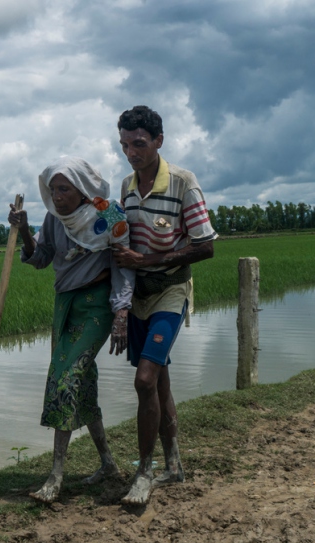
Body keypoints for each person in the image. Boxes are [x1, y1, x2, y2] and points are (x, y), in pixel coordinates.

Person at [8, 155, 135, 503]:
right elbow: (41, 257)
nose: (58, 195)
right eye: (53, 189)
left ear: (82, 189)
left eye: (64, 188)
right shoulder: (54, 219)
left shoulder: (110, 214)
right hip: (65, 306)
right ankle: (108, 463)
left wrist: (122, 310)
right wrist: (24, 231)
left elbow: (124, 262)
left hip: (96, 306)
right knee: (83, 383)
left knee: (64, 379)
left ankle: (56, 475)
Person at [111, 105, 218, 505]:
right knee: (159, 381)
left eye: (138, 144)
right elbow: (121, 244)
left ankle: (145, 472)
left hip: (171, 291)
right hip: (138, 296)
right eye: (124, 144)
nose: (131, 152)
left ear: (158, 141)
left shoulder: (183, 183)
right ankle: (174, 465)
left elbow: (205, 247)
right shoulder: (125, 187)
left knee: (144, 380)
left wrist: (150, 261)